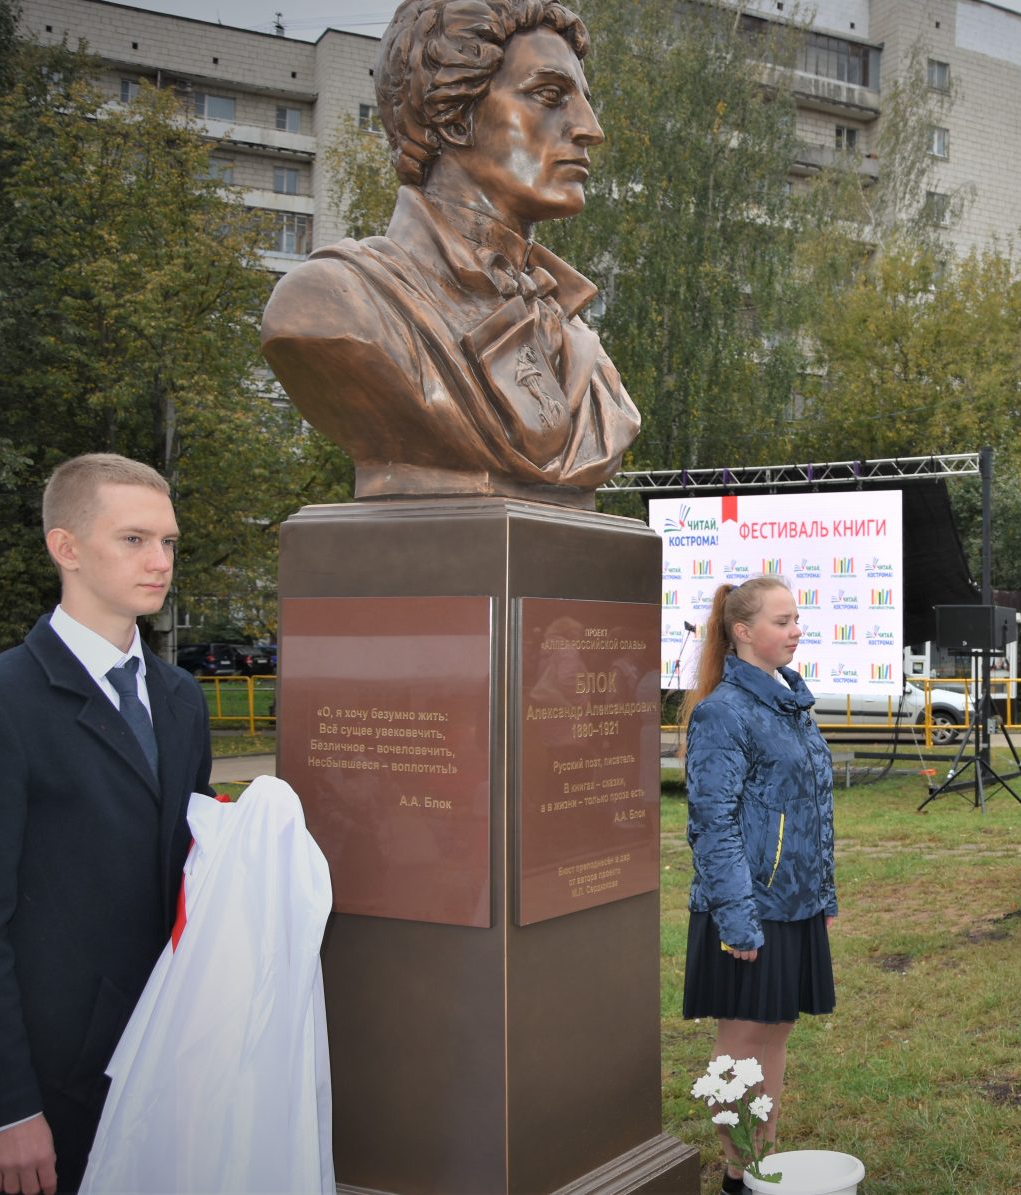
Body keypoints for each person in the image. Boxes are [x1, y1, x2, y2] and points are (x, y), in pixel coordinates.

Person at [0, 454, 212, 1195]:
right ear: (67, 547)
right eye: (135, 539)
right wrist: (5, 1109)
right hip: (56, 1086)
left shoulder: (181, 699)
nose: (160, 561)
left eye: (169, 542)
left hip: (173, 1067)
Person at [261, 0, 641, 501]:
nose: (591, 127)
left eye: (583, 100)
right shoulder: (334, 304)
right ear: (454, 116)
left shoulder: (579, 344)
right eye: (550, 95)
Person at [680, 576, 837, 1194]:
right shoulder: (723, 712)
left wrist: (822, 893)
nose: (796, 630)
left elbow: (811, 809)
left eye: (796, 619)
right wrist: (738, 919)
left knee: (776, 1032)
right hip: (746, 906)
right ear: (743, 632)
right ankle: (737, 1173)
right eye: (782, 621)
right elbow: (711, 825)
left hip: (794, 902)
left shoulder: (788, 702)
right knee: (741, 1042)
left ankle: (764, 1164)